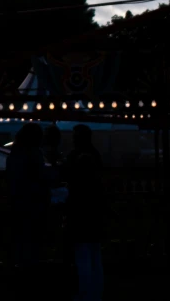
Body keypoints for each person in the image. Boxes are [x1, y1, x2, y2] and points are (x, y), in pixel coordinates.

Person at [63, 124, 105, 301]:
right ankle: (95, 291)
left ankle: (85, 291)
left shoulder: (76, 158)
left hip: (80, 214)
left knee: (83, 255)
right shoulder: (95, 156)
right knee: (94, 254)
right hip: (93, 213)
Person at [5, 123, 50, 272]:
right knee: (32, 238)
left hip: (18, 200)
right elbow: (41, 176)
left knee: (21, 237)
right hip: (33, 202)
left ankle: (21, 267)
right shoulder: (34, 153)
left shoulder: (15, 153)